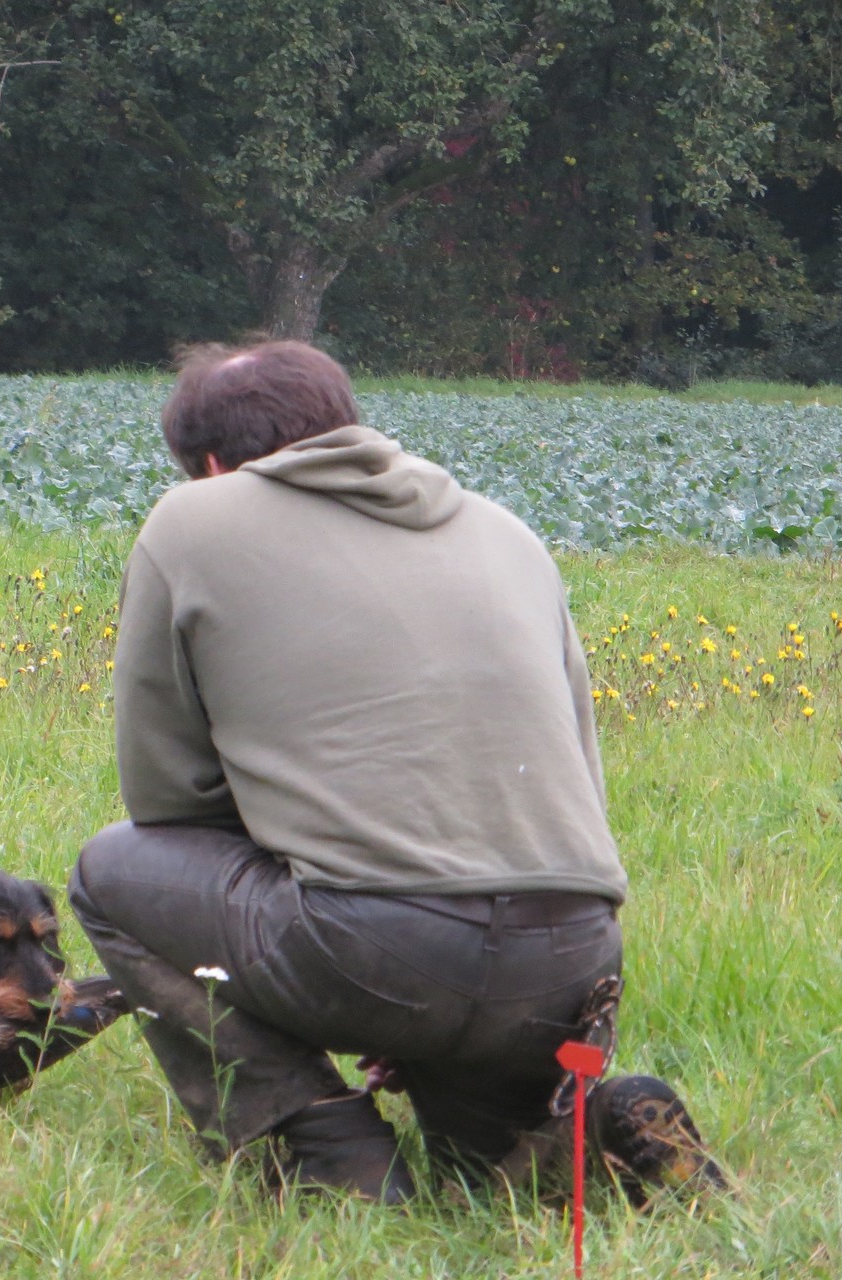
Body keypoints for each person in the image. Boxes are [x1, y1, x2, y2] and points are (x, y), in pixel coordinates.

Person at [68, 340, 722, 1205]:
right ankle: (601, 1127)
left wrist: (366, 951)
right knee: (488, 1172)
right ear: (340, 422)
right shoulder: (506, 531)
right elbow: (578, 781)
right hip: (569, 953)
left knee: (110, 872)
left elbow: (168, 796)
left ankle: (324, 1151)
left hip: (377, 948)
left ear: (214, 466)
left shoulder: (195, 520)